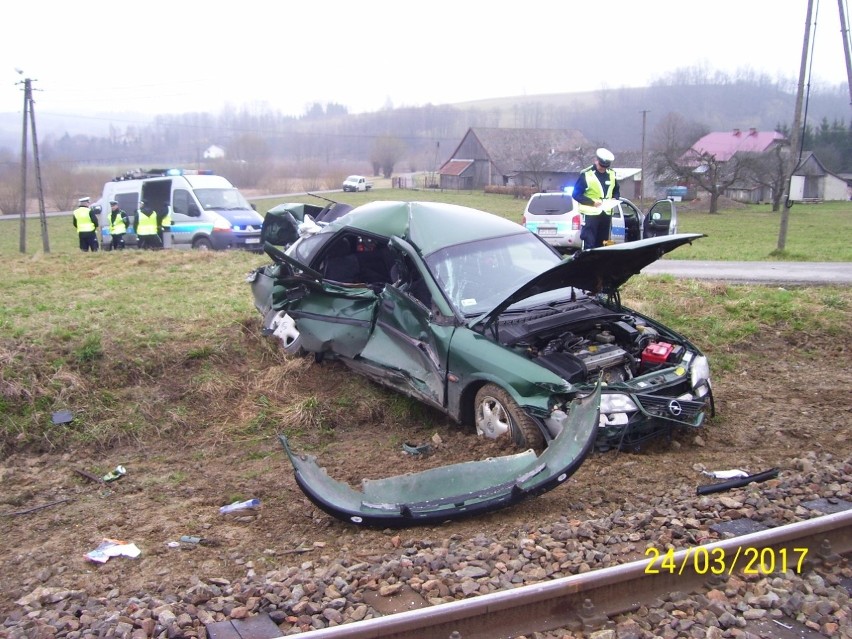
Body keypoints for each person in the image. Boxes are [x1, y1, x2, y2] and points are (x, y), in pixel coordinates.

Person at [573, 148, 620, 249]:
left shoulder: (612, 174)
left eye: (605, 167)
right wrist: (592, 202)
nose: (602, 169)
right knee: (590, 243)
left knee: (604, 243)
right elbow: (576, 194)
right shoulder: (586, 174)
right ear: (596, 161)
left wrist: (615, 198)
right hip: (591, 214)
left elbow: (616, 190)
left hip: (606, 213)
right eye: (601, 166)